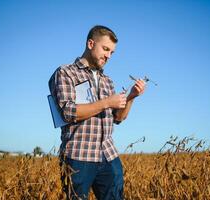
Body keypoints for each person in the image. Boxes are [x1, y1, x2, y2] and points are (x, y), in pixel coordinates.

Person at [48, 25, 146, 200]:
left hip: (108, 155)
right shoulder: (65, 73)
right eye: (106, 49)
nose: (108, 55)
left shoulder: (107, 80)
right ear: (91, 43)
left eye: (112, 52)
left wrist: (132, 96)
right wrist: (107, 102)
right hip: (78, 156)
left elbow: (118, 118)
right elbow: (68, 113)